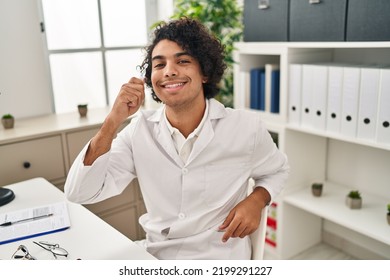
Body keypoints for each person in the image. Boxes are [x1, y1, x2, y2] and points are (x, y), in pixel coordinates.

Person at [64, 18, 289, 260]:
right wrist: (112, 121)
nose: (169, 71)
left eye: (182, 61)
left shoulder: (245, 128)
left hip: (220, 256)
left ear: (204, 72)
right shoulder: (139, 130)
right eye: (159, 65)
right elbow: (79, 193)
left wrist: (257, 199)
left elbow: (278, 170)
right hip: (157, 255)